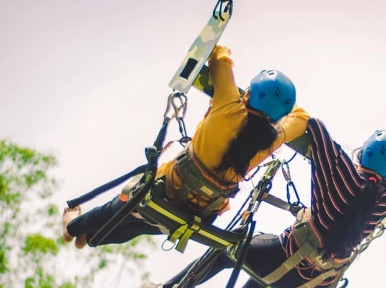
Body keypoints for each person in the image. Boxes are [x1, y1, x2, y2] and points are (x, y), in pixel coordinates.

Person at [139, 120, 386, 288]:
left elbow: (313, 125)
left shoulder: (340, 170)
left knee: (228, 249)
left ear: (364, 152)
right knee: (263, 278)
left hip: (286, 259)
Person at [62, 45, 310, 248]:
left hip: (162, 192)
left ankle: (71, 226)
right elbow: (302, 119)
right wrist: (281, 113)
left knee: (115, 209)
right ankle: (91, 239)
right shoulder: (271, 141)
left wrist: (229, 68)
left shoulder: (229, 107)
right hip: (193, 215)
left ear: (247, 95)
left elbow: (219, 57)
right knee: (136, 227)